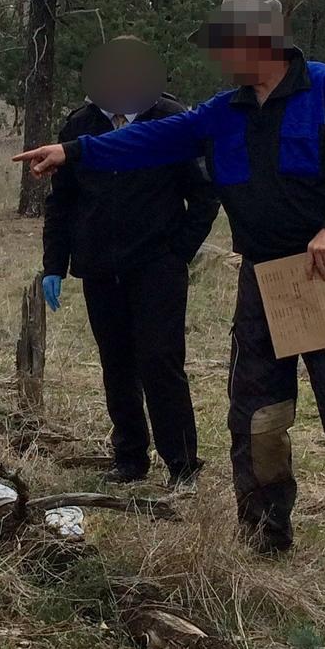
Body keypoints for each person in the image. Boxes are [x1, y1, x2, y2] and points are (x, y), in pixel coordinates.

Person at [14, 0, 325, 579]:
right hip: (262, 279)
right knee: (256, 413)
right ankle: (263, 530)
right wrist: (74, 150)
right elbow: (154, 139)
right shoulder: (221, 111)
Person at [43, 36, 219, 487]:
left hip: (156, 265)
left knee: (160, 360)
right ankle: (129, 458)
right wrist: (54, 265)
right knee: (116, 362)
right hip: (100, 266)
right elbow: (62, 202)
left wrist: (178, 250)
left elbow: (202, 194)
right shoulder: (79, 126)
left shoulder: (172, 120)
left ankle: (181, 464)